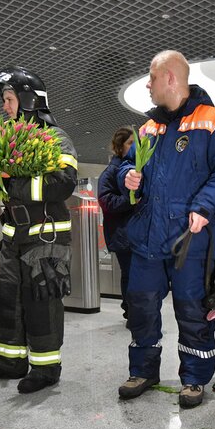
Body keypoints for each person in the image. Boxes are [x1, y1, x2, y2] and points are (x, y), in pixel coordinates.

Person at [116, 50, 215, 408]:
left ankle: (194, 377)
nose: (148, 83)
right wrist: (125, 176)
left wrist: (205, 206)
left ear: (171, 78)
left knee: (192, 308)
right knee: (141, 305)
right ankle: (143, 370)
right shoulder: (148, 129)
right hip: (147, 238)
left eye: (152, 76)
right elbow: (125, 166)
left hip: (189, 239)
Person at [0, 66, 78, 394]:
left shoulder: (56, 139)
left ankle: (45, 367)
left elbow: (63, 184)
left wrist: (18, 181)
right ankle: (11, 360)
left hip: (46, 236)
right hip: (13, 237)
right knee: (8, 299)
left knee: (42, 301)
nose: (5, 106)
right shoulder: (7, 141)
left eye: (9, 99)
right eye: (5, 100)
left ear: (28, 100)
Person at [98, 127, 135, 319]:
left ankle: (133, 308)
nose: (135, 146)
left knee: (134, 274)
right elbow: (106, 201)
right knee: (130, 274)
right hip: (122, 233)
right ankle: (130, 310)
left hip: (134, 233)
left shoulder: (137, 169)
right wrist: (131, 200)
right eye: (130, 143)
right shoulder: (111, 172)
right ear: (119, 147)